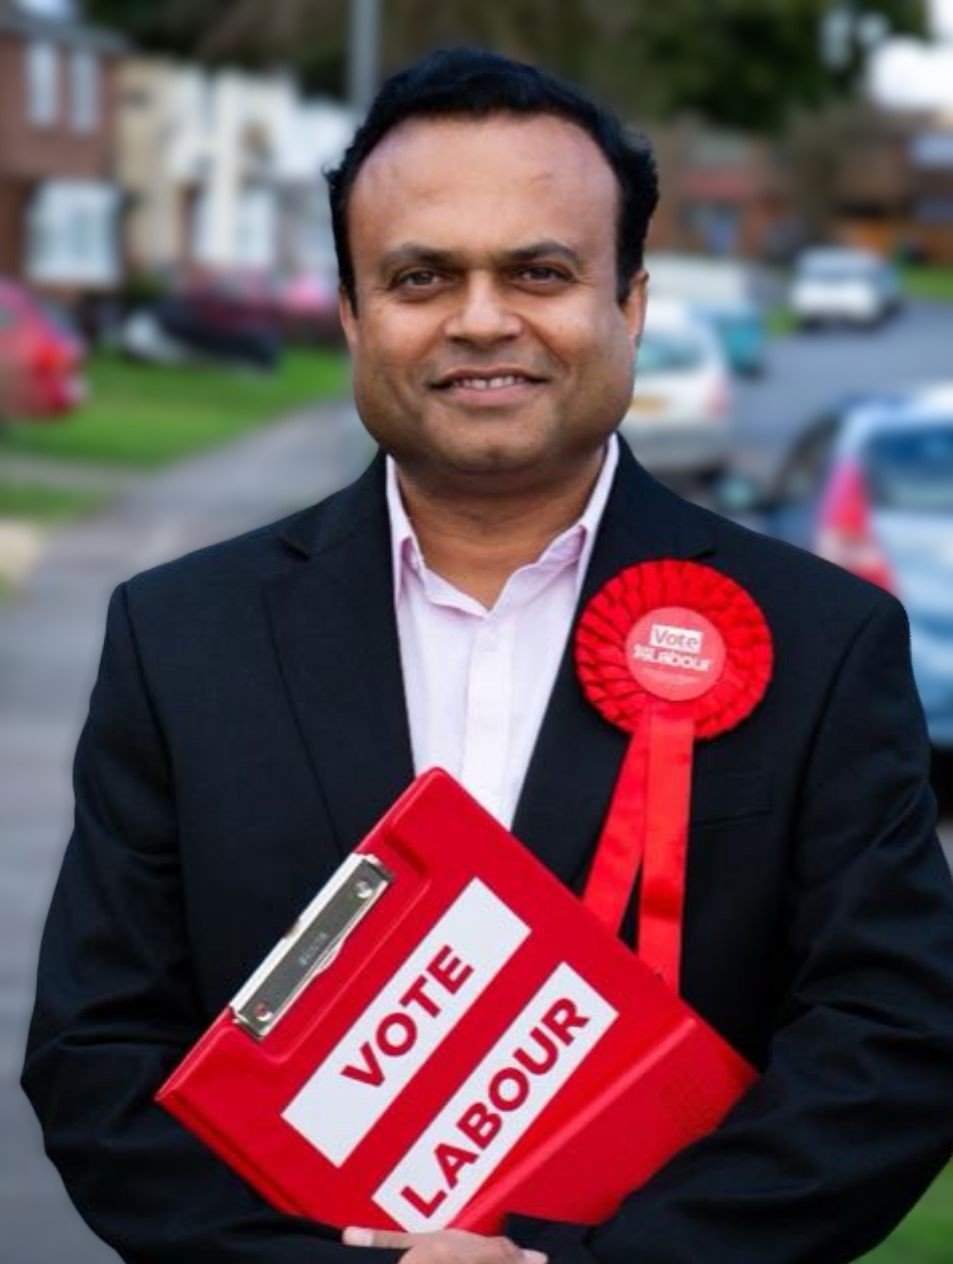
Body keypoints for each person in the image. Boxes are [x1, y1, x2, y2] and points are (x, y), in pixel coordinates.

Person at [22, 47, 953, 1264]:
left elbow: (889, 1044)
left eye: (539, 270)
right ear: (355, 316)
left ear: (627, 303)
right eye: (419, 276)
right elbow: (98, 1054)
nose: (478, 318)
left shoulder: (819, 639)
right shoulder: (179, 634)